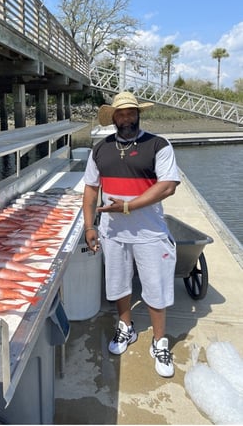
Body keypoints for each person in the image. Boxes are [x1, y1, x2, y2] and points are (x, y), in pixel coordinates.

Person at [82, 91, 180, 378]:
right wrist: (90, 226)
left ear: (138, 114)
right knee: (117, 285)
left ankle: (160, 342)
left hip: (150, 232)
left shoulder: (158, 145)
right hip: (113, 233)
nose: (126, 118)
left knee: (156, 288)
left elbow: (167, 186)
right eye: (120, 113)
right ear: (113, 117)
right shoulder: (100, 149)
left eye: (130, 112)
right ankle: (126, 327)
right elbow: (90, 189)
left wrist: (127, 206)